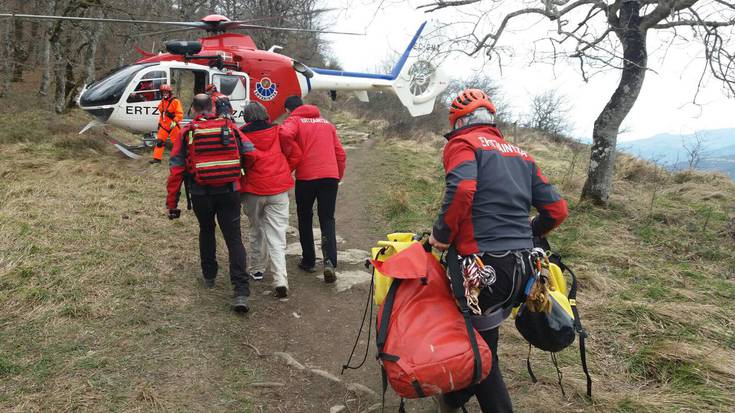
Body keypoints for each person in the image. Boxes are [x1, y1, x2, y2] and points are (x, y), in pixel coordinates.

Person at [428, 89, 568, 413]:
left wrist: (442, 234)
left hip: (482, 268)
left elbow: (462, 187)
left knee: (481, 355)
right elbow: (557, 210)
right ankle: (455, 397)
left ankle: (471, 397)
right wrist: (530, 232)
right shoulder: (521, 155)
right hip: (523, 269)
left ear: (459, 121)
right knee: (485, 339)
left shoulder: (462, 144)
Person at [166, 94, 255, 312]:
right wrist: (239, 177)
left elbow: (176, 170)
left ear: (194, 109)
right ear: (212, 107)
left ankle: (209, 276)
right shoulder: (230, 127)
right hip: (230, 191)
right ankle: (241, 291)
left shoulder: (188, 132)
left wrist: (172, 203)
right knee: (234, 238)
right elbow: (251, 153)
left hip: (200, 194)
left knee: (206, 230)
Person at [279, 95, 346, 283]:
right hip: (329, 177)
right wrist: (337, 175)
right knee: (327, 219)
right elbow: (340, 153)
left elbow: (284, 134)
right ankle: (330, 262)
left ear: (288, 110)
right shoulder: (327, 123)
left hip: (306, 178)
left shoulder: (295, 120)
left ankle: (309, 260)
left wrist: (292, 153)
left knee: (305, 216)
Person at [239, 102, 302, 298]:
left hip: (253, 190)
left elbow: (240, 162)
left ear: (247, 117)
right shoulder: (279, 132)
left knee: (256, 229)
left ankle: (257, 269)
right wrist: (283, 171)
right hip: (278, 189)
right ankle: (280, 279)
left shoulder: (241, 135)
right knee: (277, 235)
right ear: (266, 115)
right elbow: (296, 154)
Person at [151, 84, 183, 164]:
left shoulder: (175, 101)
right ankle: (157, 159)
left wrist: (174, 120)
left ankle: (178, 161)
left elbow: (180, 114)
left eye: (166, 92)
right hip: (164, 126)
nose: (165, 94)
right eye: (163, 92)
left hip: (173, 125)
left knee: (177, 144)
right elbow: (162, 114)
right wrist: (160, 123)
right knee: (159, 142)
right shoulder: (162, 102)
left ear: (169, 92)